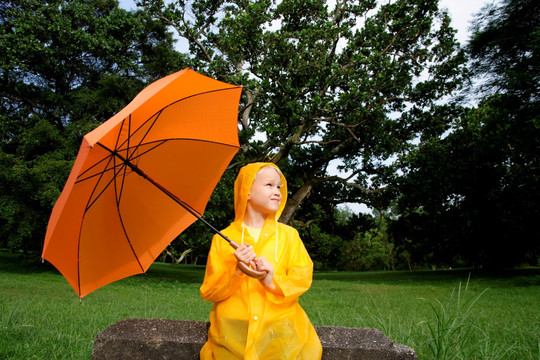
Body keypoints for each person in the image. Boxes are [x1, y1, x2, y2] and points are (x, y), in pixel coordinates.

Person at [200, 162, 322, 360]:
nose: (277, 192)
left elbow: (302, 276)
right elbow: (211, 291)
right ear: (247, 191)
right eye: (269, 185)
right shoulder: (223, 239)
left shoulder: (289, 236)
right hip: (232, 337)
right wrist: (237, 270)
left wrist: (272, 282)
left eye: (279, 187)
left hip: (280, 337)